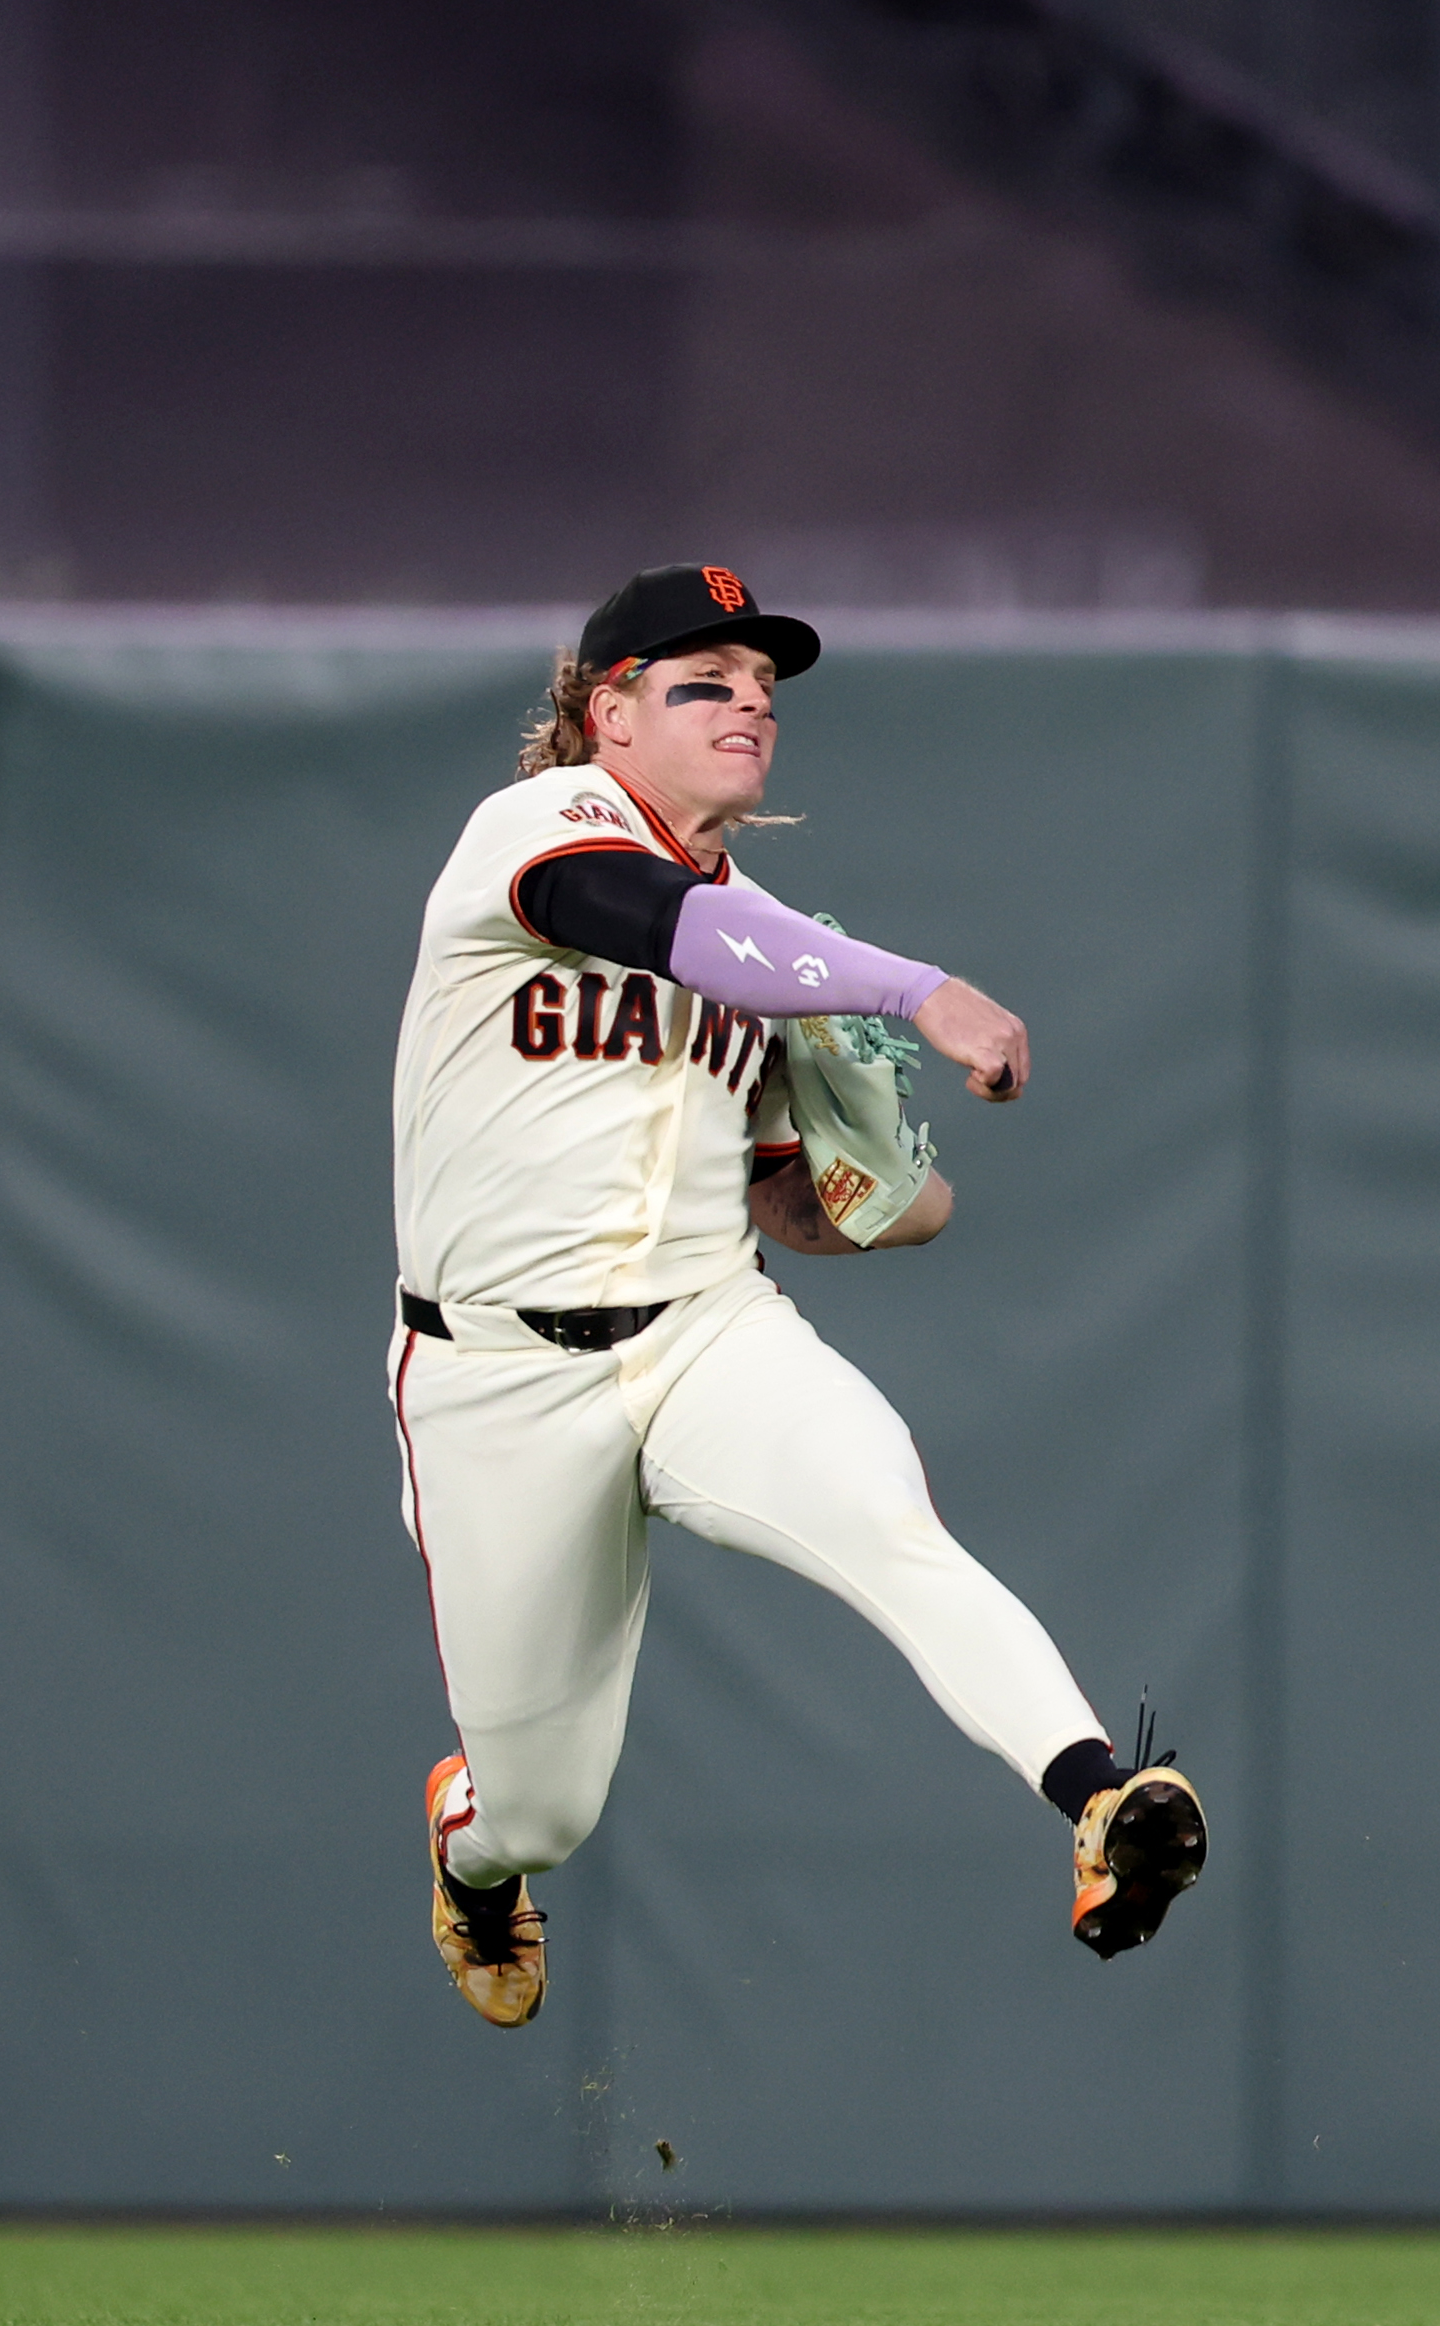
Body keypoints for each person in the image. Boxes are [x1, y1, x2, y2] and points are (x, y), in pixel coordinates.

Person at [389, 562, 1205, 2026]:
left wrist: (883, 1204)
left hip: (708, 1329)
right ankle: (472, 1848)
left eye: (765, 688)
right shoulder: (538, 830)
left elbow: (788, 1198)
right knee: (544, 1807)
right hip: (499, 1376)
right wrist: (912, 989)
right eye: (704, 681)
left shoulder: (763, 930)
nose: (748, 705)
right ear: (605, 710)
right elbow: (655, 919)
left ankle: (1101, 1794)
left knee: (892, 1526)